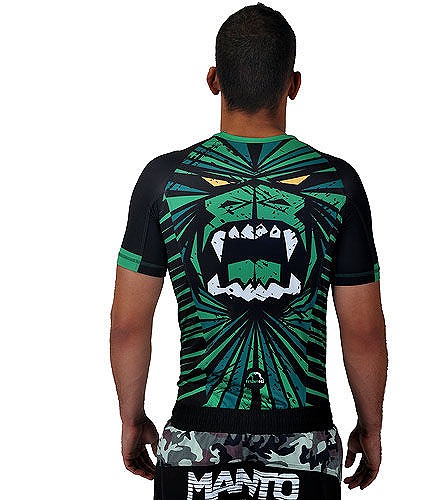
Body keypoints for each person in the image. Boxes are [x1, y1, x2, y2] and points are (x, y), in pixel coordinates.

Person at [110, 3, 388, 499]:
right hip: (304, 442)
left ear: (214, 79)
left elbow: (128, 325)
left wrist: (131, 419)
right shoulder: (337, 184)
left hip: (195, 440)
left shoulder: (164, 181)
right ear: (293, 84)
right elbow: (364, 331)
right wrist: (371, 426)